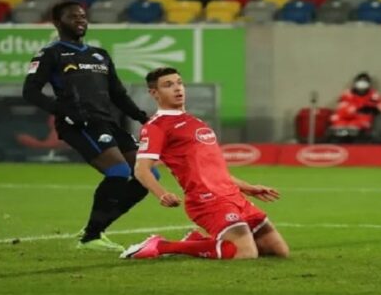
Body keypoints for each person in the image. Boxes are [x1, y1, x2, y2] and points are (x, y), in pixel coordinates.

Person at [22, 1, 153, 252]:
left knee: (147, 176)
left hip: (107, 122)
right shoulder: (51, 54)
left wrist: (143, 118)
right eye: (73, 17)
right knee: (118, 171)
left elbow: (118, 94)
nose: (80, 20)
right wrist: (64, 111)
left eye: (83, 16)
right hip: (79, 124)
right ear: (57, 22)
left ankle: (94, 229)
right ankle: (92, 236)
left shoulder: (100, 55)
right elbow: (30, 92)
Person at [120, 67, 290, 260]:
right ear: (154, 93)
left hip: (233, 196)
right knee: (245, 252)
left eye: (179, 83)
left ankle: (197, 240)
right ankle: (162, 245)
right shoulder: (156, 127)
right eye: (168, 85)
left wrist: (247, 187)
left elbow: (214, 170)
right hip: (207, 200)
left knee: (278, 251)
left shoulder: (195, 121)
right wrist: (162, 194)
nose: (177, 88)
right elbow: (141, 169)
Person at [328, 72, 381, 140]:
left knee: (361, 125)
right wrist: (356, 110)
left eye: (365, 81)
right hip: (344, 118)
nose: (362, 83)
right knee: (337, 124)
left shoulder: (373, 94)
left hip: (361, 121)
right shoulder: (347, 94)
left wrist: (374, 109)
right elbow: (342, 108)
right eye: (360, 81)